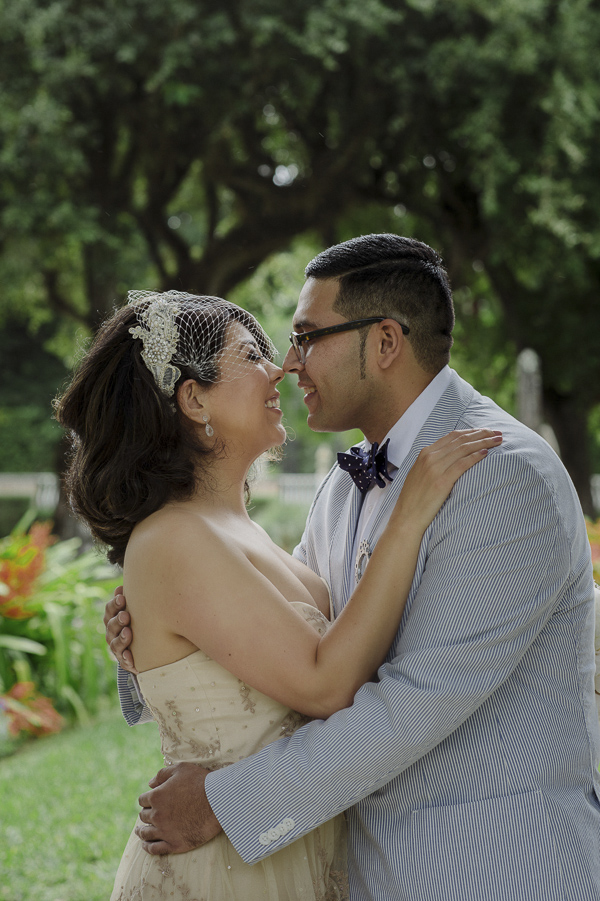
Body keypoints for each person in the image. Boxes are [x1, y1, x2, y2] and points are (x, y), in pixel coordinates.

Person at [106, 236, 600, 901]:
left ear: (386, 342)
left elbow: (410, 704)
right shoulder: (343, 488)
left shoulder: (501, 472)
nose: (290, 363)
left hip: (491, 869)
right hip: (355, 872)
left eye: (308, 337)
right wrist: (152, 634)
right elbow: (298, 645)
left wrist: (223, 803)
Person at [57, 287, 498, 901]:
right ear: (194, 398)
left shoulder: (236, 527)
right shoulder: (175, 537)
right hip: (222, 867)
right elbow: (324, 684)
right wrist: (409, 517)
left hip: (287, 841)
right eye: (250, 355)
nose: (281, 368)